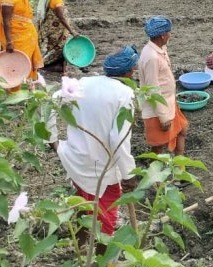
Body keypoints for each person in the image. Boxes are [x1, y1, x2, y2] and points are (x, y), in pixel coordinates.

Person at [46, 47, 138, 241]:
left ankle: (80, 246)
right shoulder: (125, 94)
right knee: (107, 216)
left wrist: (52, 140)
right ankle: (100, 262)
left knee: (82, 204)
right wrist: (129, 175)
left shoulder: (84, 83)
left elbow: (49, 102)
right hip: (103, 167)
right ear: (129, 72)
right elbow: (118, 139)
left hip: (76, 160)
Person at [138, 16, 187, 153]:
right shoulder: (151, 57)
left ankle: (179, 168)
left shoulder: (160, 49)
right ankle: (155, 171)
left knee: (182, 131)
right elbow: (152, 89)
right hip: (157, 109)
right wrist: (163, 117)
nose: (170, 35)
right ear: (163, 35)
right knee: (158, 145)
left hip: (169, 102)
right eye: (169, 32)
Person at [0, 0, 43, 89]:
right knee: (16, 62)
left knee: (27, 61)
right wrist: (9, 42)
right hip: (16, 37)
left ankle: (28, 87)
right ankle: (14, 89)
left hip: (27, 35)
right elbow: (6, 21)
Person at [35, 0, 79, 73]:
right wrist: (72, 31)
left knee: (53, 47)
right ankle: (49, 66)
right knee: (60, 48)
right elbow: (61, 17)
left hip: (52, 31)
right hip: (59, 30)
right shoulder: (56, 0)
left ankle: (58, 67)